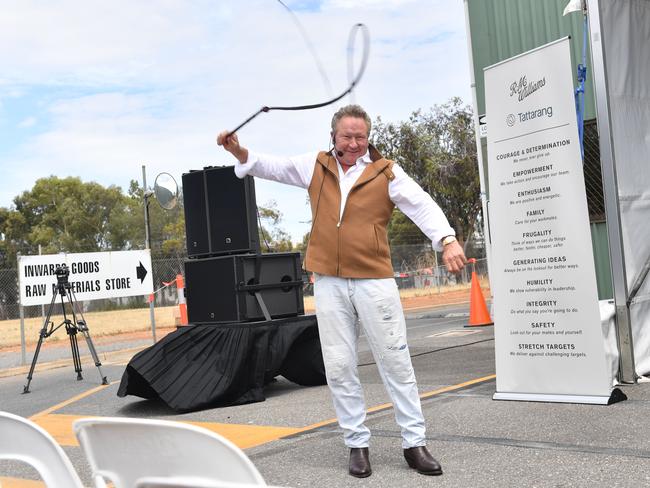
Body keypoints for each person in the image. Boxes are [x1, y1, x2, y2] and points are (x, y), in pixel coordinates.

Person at [217, 104, 467, 478]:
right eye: (347, 136)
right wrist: (240, 152)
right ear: (333, 135)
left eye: (360, 136)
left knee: (395, 361)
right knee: (339, 364)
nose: (353, 143)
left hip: (374, 280)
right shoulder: (315, 165)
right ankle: (357, 445)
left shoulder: (386, 172)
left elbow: (422, 205)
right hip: (329, 281)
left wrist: (446, 239)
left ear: (368, 138)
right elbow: (273, 166)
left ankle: (414, 444)